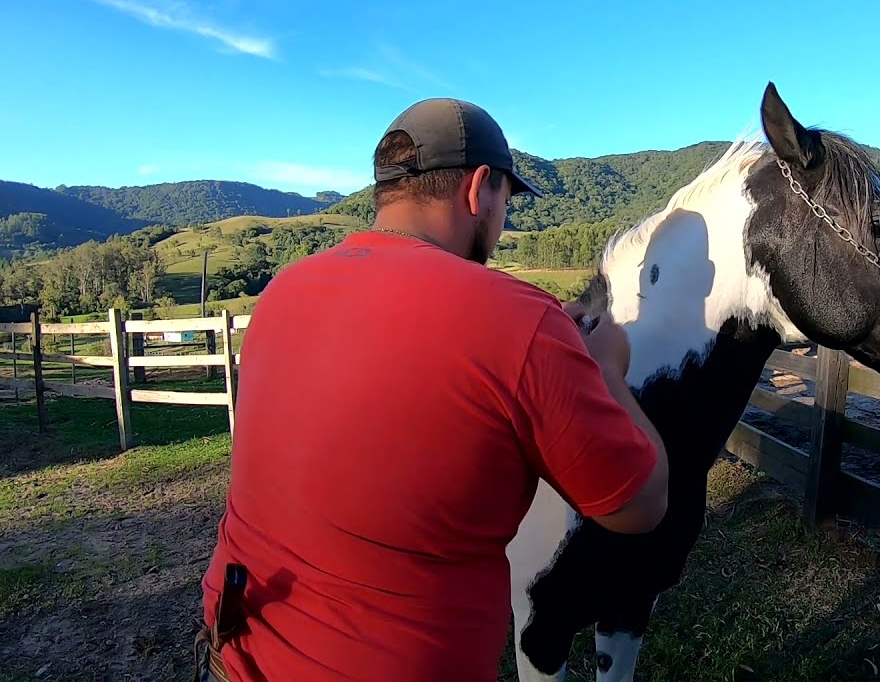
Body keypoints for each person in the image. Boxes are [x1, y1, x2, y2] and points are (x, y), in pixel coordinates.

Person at [194, 97, 669, 682]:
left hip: (234, 649)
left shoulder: (282, 293)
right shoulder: (519, 320)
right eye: (505, 200)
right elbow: (640, 507)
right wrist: (605, 369)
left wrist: (543, 345)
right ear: (478, 189)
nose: (502, 220)